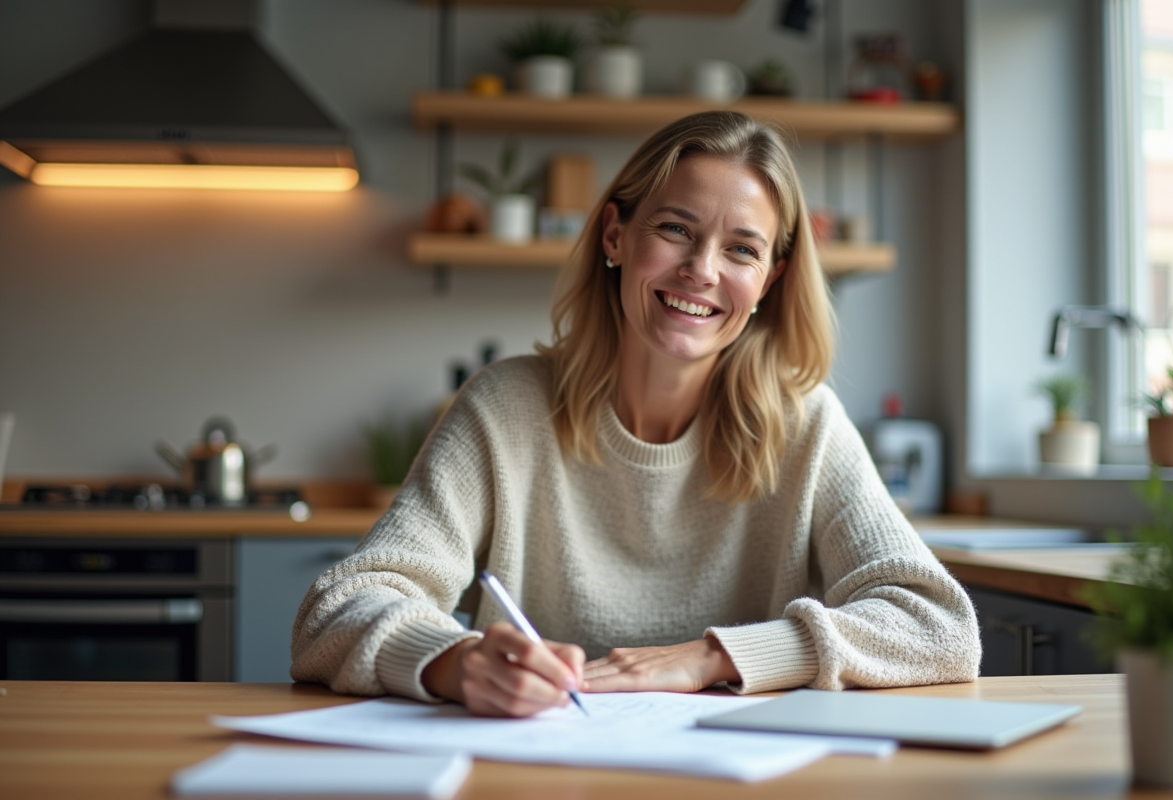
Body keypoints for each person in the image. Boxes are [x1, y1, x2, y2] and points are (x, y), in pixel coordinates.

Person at [292, 110, 981, 718]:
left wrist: (712, 658)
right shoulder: (505, 408)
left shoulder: (808, 425)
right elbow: (334, 612)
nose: (702, 270)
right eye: (676, 229)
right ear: (615, 236)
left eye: (742, 249)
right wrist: (455, 661)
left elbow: (941, 627)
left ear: (769, 281)